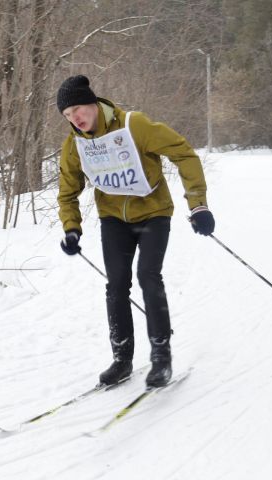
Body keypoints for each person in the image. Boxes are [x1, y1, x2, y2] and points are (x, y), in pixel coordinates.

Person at [55, 75, 215, 388]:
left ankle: (160, 357)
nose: (74, 117)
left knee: (148, 276)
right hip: (113, 218)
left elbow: (183, 153)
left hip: (153, 213)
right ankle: (122, 359)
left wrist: (199, 206)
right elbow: (67, 191)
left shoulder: (133, 125)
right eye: (67, 114)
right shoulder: (74, 145)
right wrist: (71, 228)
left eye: (78, 108)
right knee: (116, 286)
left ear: (93, 103)